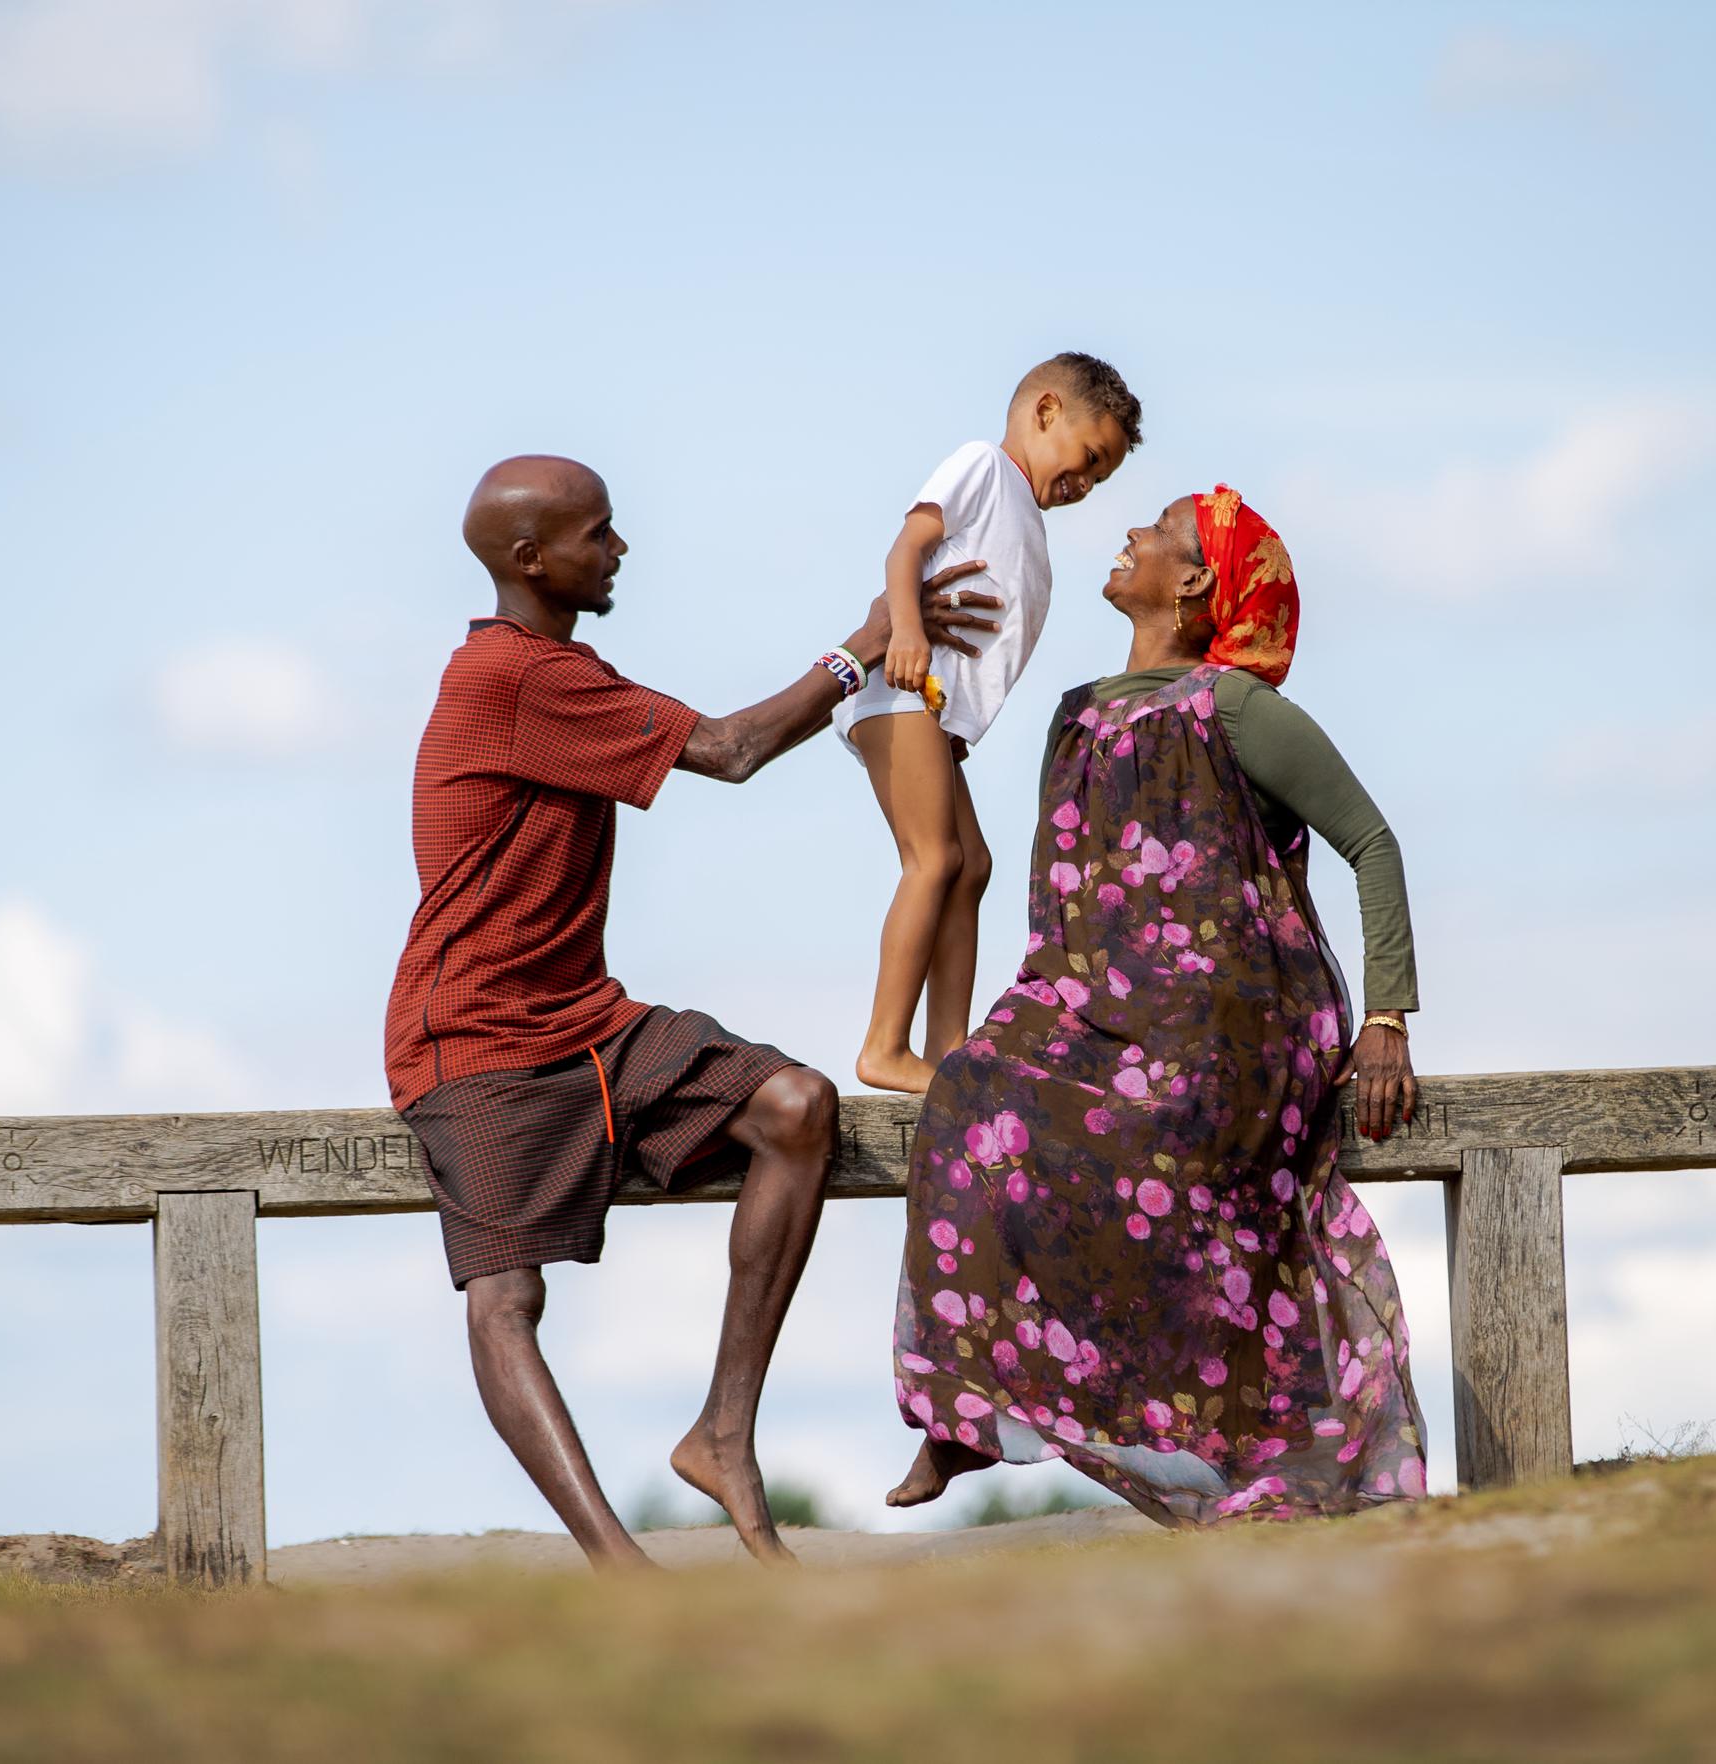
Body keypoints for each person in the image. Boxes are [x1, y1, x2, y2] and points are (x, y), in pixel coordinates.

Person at [383, 454, 998, 1569]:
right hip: (472, 1036)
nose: (620, 549)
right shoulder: (512, 677)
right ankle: (622, 1567)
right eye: (599, 534)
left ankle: (721, 1434)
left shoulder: (557, 671)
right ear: (530, 560)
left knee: (798, 1107)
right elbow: (731, 748)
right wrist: (863, 644)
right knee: (505, 1297)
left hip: (589, 1019)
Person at [886, 484, 1430, 1526]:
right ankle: (959, 1411)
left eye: (1162, 534)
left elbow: (1375, 843)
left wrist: (1389, 1017)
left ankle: (1217, 1434)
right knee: (966, 1089)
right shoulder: (1079, 714)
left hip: (1233, 1016)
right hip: (1099, 1004)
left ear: (1191, 585)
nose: (1131, 533)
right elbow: (1066, 898)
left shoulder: (1237, 709)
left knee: (1148, 1139)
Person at [833, 353, 1143, 1096]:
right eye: (1087, 457)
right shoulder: (983, 467)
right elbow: (907, 545)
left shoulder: (1023, 515)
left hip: (933, 717)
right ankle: (884, 1047)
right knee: (933, 860)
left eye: (1099, 479)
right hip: (902, 688)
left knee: (972, 865)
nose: (1084, 484)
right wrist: (906, 632)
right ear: (1044, 412)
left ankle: (950, 1049)